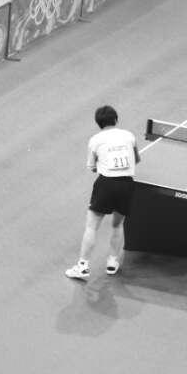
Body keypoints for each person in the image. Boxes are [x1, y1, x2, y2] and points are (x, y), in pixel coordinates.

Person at [65, 105, 140, 281]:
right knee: (117, 225)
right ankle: (113, 262)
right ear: (116, 119)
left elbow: (91, 167)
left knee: (91, 226)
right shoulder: (129, 136)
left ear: (98, 123)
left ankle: (82, 266)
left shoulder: (95, 140)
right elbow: (136, 159)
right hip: (127, 185)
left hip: (106, 184)